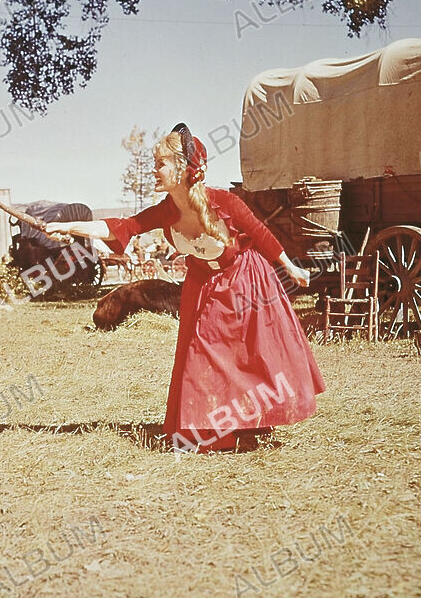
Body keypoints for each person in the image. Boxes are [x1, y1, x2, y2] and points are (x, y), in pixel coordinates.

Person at [46, 123, 325, 453]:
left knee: (250, 355)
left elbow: (259, 233)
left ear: (183, 168)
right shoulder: (165, 210)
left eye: (160, 163)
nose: (154, 170)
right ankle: (214, 427)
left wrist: (290, 267)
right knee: (202, 353)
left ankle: (251, 421)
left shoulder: (225, 202)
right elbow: (119, 228)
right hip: (201, 285)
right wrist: (68, 226)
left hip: (244, 280)